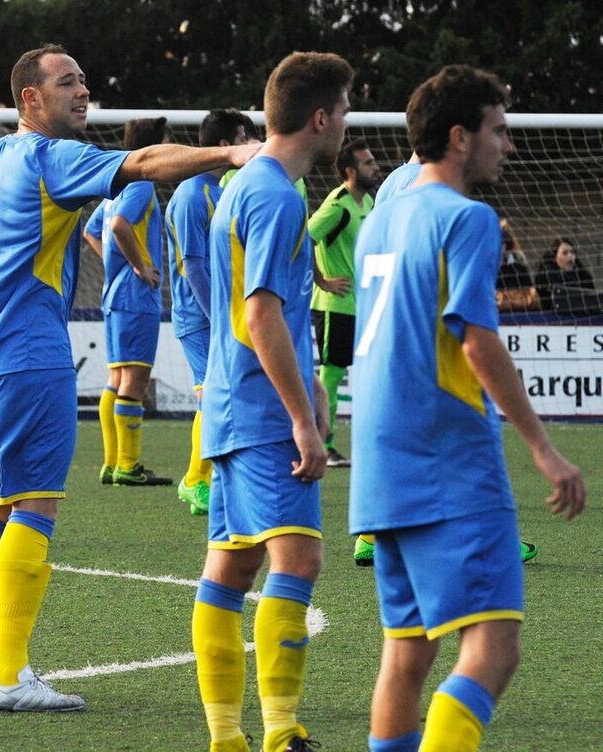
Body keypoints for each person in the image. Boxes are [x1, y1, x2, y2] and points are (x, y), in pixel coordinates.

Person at [0, 43, 258, 713]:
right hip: (32, 354)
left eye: (85, 78)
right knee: (34, 507)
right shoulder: (51, 157)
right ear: (31, 98)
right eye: (67, 82)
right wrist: (230, 155)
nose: (83, 90)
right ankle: (8, 677)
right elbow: (142, 163)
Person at [350, 64, 586, 752]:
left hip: (379, 468)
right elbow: (478, 340)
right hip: (448, 459)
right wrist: (544, 447)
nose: (507, 145)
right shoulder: (468, 219)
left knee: (407, 654)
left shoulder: (381, 219)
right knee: (494, 648)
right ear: (460, 137)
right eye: (499, 129)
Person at [194, 50, 354, 752]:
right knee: (298, 563)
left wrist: (312, 378)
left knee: (231, 567)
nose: (346, 125)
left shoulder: (243, 186)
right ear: (320, 118)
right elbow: (259, 313)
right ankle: (281, 733)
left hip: (231, 403)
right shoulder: (276, 194)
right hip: (260, 413)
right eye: (345, 111)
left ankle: (228, 738)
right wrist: (300, 418)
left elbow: (240, 306)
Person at [350, 157, 538, 568]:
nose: (505, 145)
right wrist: (543, 446)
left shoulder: (389, 189)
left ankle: (372, 533)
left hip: (388, 338)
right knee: (467, 437)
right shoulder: (445, 196)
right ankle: (492, 537)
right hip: (428, 333)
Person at [164, 109, 253, 514]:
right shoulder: (190, 194)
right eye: (244, 138)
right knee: (212, 396)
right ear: (224, 146)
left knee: (222, 396)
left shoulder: (220, 191)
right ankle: (196, 480)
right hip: (199, 316)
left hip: (218, 311)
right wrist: (219, 317)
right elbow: (192, 265)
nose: (252, 146)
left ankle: (210, 477)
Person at [90, 117, 175, 488]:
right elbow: (118, 227)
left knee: (116, 379)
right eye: (167, 140)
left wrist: (116, 263)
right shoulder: (140, 185)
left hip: (114, 295)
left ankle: (112, 464)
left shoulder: (119, 188)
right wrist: (140, 266)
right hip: (136, 298)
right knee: (134, 382)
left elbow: (93, 230)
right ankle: (128, 464)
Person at [308, 139, 381, 469]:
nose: (375, 167)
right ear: (350, 172)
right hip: (334, 306)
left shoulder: (367, 203)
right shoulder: (337, 205)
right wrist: (321, 280)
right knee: (331, 378)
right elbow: (304, 236)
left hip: (363, 305)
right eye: (367, 163)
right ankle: (326, 444)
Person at [535, 236, 597, 311]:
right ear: (554, 258)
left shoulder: (583, 276)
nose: (570, 256)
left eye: (572, 252)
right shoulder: (545, 276)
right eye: (565, 253)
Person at [495, 218, 539, 311]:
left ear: (505, 246)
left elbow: (531, 294)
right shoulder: (482, 269)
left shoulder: (518, 269)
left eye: (500, 244)